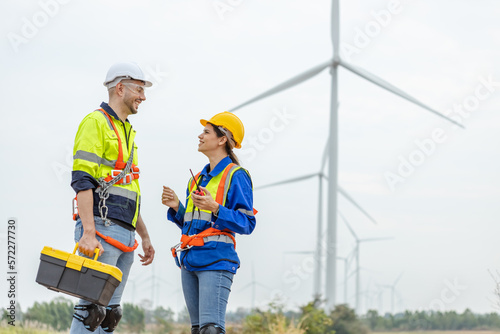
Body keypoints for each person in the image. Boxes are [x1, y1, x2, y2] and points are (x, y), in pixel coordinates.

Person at [70, 62, 155, 333]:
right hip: (101, 231)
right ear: (120, 88)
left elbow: (127, 190)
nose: (143, 96)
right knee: (90, 312)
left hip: (125, 234)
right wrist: (88, 232)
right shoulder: (95, 123)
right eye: (139, 89)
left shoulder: (126, 130)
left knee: (109, 316)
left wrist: (144, 235)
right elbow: (82, 181)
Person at [162, 112, 256, 334]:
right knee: (198, 330)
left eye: (206, 132)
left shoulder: (237, 175)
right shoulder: (197, 179)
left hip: (217, 260)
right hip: (189, 261)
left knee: (210, 330)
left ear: (222, 139)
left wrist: (215, 207)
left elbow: (247, 223)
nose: (200, 136)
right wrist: (177, 207)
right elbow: (193, 226)